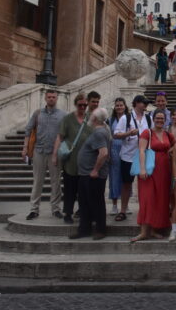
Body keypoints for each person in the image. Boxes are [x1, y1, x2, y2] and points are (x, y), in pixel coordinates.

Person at [23, 89, 66, 220]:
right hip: (39, 151)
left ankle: (56, 209)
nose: (51, 99)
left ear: (57, 98)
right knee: (37, 182)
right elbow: (28, 130)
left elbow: (66, 134)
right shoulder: (37, 114)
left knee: (56, 182)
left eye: (54, 97)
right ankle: (34, 209)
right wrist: (25, 148)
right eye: (49, 97)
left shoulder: (63, 115)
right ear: (45, 98)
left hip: (55, 152)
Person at [132, 110, 175, 242]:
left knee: (160, 200)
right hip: (149, 171)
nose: (160, 120)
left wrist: (171, 151)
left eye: (162, 118)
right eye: (157, 118)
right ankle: (144, 231)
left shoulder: (168, 134)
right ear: (153, 118)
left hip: (164, 171)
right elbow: (141, 150)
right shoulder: (147, 132)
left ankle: (154, 229)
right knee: (147, 199)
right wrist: (143, 169)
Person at [52, 93, 93, 224]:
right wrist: (55, 155)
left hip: (86, 162)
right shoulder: (68, 119)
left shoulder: (91, 119)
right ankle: (68, 213)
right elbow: (60, 136)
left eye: (85, 105)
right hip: (71, 161)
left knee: (84, 190)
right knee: (70, 189)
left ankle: (82, 211)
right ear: (75, 104)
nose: (82, 107)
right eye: (80, 105)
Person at [71, 108, 111, 240]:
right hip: (86, 173)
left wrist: (95, 170)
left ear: (95, 118)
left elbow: (104, 153)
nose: (89, 117)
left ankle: (100, 229)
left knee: (96, 202)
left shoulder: (99, 133)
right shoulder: (98, 131)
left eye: (92, 115)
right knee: (84, 202)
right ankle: (84, 228)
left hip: (92, 175)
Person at [113, 95, 153, 224]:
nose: (146, 105)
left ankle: (145, 210)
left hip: (144, 156)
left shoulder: (149, 118)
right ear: (136, 104)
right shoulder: (126, 118)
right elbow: (116, 134)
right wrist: (128, 134)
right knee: (126, 184)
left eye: (146, 103)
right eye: (143, 103)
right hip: (128, 156)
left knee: (145, 184)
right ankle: (123, 210)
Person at [106, 98, 127, 216]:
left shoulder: (129, 118)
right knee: (114, 178)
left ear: (125, 106)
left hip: (126, 149)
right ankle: (114, 205)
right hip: (114, 149)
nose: (119, 107)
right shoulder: (111, 120)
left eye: (121, 105)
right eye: (117, 105)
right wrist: (108, 152)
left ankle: (126, 204)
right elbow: (108, 137)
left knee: (126, 178)